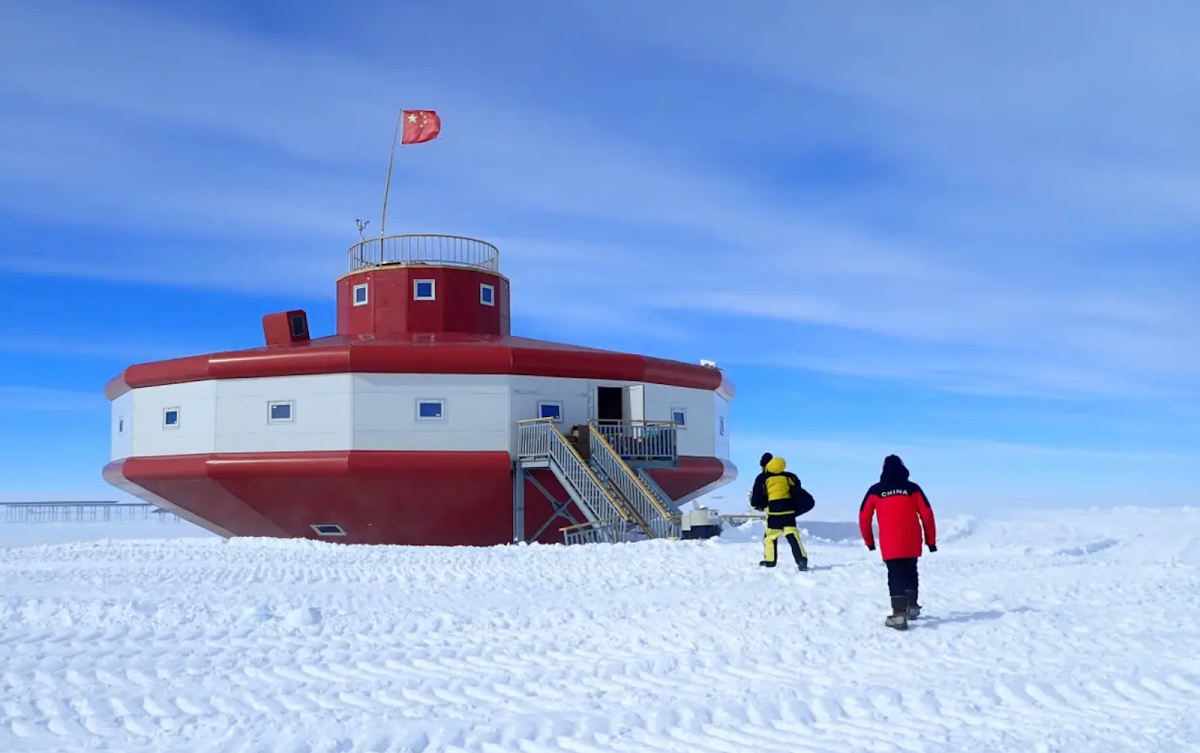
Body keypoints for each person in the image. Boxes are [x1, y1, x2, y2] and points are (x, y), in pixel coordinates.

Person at [858, 455, 937, 630]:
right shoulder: (913, 488)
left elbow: (864, 516)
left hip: (890, 541)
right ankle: (913, 606)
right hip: (912, 539)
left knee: (895, 574)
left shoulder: (875, 490)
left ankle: (899, 615)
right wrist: (930, 541)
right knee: (910, 570)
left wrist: (869, 541)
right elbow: (927, 514)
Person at [750, 456, 815, 571]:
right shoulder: (789, 477)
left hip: (774, 513)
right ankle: (801, 561)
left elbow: (757, 498)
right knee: (793, 536)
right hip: (788, 512)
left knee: (770, 537)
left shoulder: (763, 478)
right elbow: (797, 490)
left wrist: (759, 505)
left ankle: (770, 561)